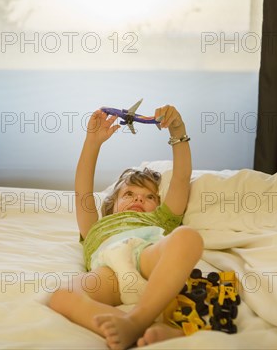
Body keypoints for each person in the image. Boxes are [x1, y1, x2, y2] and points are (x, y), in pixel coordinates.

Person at [48, 105, 204, 349]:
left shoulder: (160, 220)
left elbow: (182, 177)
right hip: (108, 270)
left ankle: (136, 320)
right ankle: (149, 328)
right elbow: (82, 192)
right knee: (62, 296)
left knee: (188, 237)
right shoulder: (95, 228)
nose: (139, 199)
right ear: (112, 204)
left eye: (149, 196)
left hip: (147, 258)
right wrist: (93, 142)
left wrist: (177, 129)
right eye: (129, 193)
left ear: (159, 205)